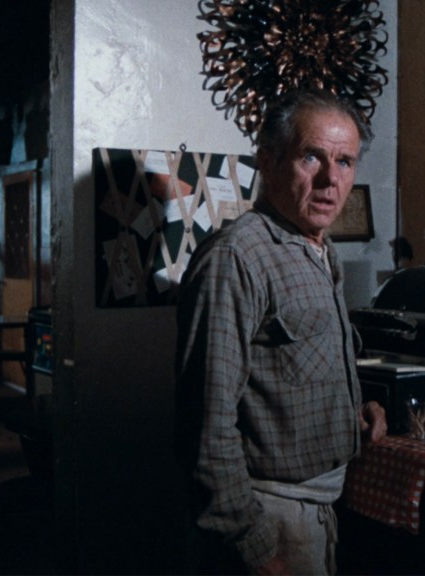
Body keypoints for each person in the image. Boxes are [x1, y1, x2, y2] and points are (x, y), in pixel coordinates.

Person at [175, 89, 387, 575]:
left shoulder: (316, 250)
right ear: (268, 163)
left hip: (320, 508)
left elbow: (285, 376)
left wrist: (353, 412)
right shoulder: (237, 257)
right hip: (270, 515)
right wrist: (253, 547)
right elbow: (203, 425)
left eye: (346, 161)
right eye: (312, 156)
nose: (332, 179)